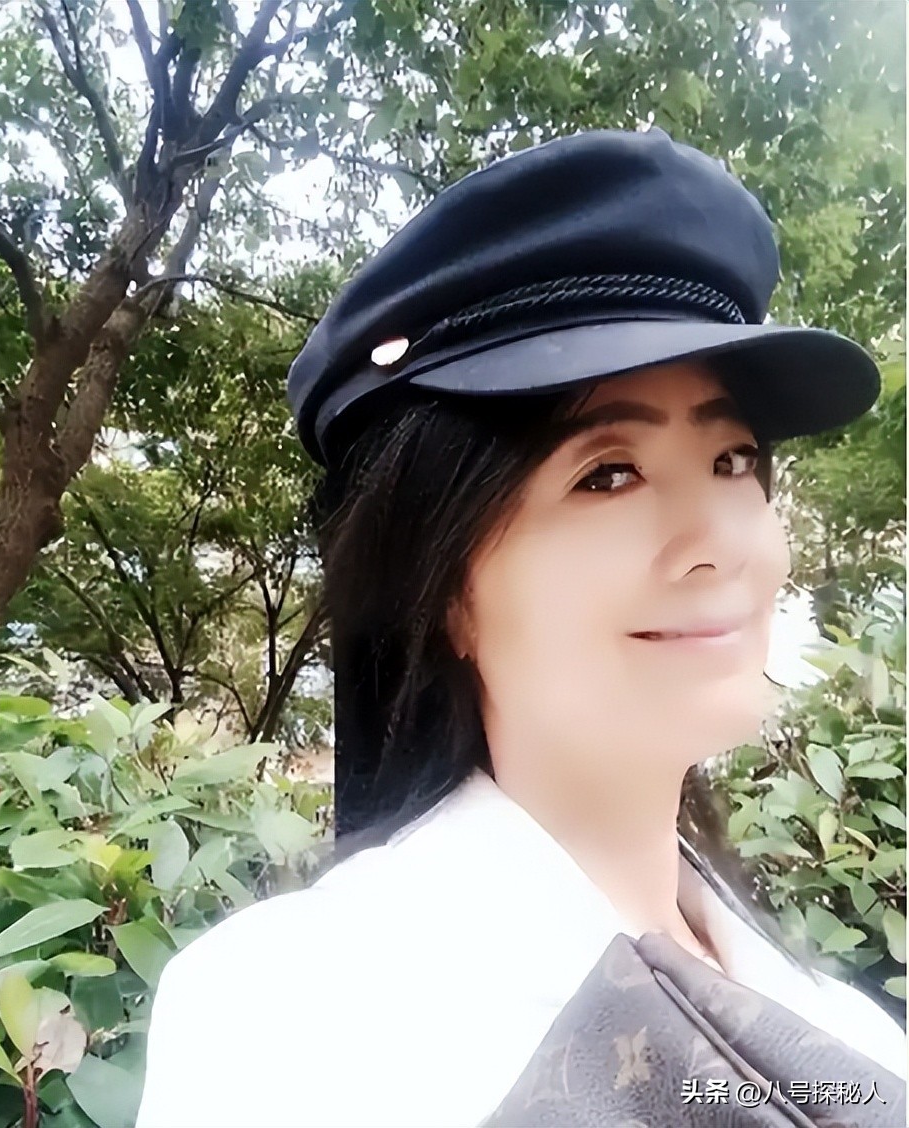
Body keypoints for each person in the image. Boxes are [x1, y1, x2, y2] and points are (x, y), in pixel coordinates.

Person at [136, 128, 906, 1128]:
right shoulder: (294, 1024)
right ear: (444, 592)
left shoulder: (854, 1037)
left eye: (733, 461)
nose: (720, 543)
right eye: (609, 474)